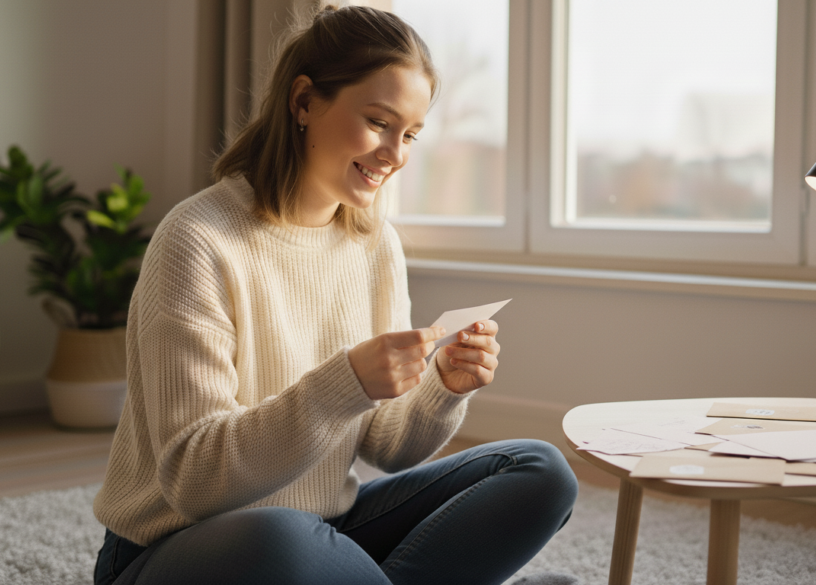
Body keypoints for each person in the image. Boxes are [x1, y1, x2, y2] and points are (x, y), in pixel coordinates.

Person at [92, 5, 578, 584]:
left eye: (411, 135)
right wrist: (343, 384)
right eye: (378, 122)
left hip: (326, 533)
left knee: (539, 470)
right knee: (285, 537)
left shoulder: (374, 244)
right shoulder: (197, 240)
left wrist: (440, 390)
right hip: (181, 548)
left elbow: (387, 446)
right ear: (303, 102)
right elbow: (195, 483)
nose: (395, 155)